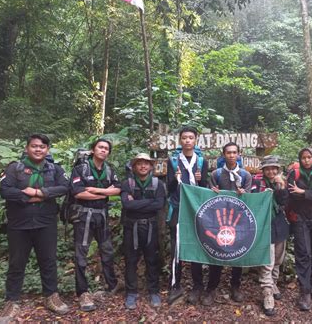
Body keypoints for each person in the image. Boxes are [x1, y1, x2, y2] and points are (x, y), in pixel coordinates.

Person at [0, 134, 70, 322]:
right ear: (27, 148)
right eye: (34, 146)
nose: (38, 149)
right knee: (16, 263)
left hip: (45, 222)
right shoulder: (15, 168)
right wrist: (27, 196)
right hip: (19, 224)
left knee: (48, 261)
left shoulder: (55, 169)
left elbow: (65, 187)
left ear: (47, 149)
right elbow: (5, 190)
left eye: (42, 146)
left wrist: (41, 193)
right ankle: (12, 301)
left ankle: (51, 296)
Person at [69, 138, 121, 311]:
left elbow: (118, 189)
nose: (103, 150)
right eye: (100, 147)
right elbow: (78, 193)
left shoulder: (109, 170)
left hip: (102, 216)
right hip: (84, 216)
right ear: (93, 150)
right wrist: (105, 195)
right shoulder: (81, 168)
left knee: (107, 251)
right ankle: (83, 292)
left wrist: (98, 191)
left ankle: (111, 284)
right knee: (81, 253)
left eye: (106, 148)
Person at [204, 142, 252, 306]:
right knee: (217, 252)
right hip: (219, 221)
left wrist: (244, 194)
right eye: (228, 153)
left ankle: (235, 286)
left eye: (234, 152)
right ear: (223, 154)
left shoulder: (246, 175)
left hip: (238, 221)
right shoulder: (216, 174)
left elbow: (250, 200)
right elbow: (209, 197)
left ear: (239, 154)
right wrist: (213, 191)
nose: (231, 155)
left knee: (237, 254)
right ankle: (211, 287)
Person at [165, 126, 209, 304]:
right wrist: (175, 180)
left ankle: (198, 285)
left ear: (196, 140)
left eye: (191, 137)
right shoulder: (174, 161)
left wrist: (200, 179)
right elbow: (169, 188)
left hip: (196, 209)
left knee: (196, 245)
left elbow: (204, 188)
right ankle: (175, 285)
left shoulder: (201, 161)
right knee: (176, 246)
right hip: (178, 207)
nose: (188, 140)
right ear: (180, 140)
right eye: (184, 138)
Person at [120, 153, 166, 309]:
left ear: (151, 166)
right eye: (139, 163)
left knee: (152, 259)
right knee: (131, 260)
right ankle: (131, 292)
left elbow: (159, 204)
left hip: (151, 226)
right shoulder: (127, 183)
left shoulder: (158, 184)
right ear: (134, 167)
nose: (143, 166)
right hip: (131, 226)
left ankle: (154, 291)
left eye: (146, 163)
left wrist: (137, 203)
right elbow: (127, 205)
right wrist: (148, 203)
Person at [287, 148, 312, 311]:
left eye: (309, 157)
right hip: (300, 218)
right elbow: (291, 194)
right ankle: (305, 291)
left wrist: (303, 192)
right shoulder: (294, 174)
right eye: (303, 157)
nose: (306, 160)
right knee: (303, 253)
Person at [251, 155, 289, 316]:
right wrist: (262, 195)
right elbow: (251, 201)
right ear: (263, 170)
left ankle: (273, 283)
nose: (271, 171)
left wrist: (279, 188)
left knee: (278, 259)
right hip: (264, 226)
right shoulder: (257, 183)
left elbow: (284, 202)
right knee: (268, 260)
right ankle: (267, 293)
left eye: (274, 168)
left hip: (279, 224)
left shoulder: (282, 182)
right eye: (268, 168)